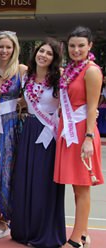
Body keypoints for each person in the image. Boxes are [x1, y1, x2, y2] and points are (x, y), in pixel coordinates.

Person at [10, 38, 66, 247]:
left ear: (55, 58)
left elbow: (68, 104)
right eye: (41, 51)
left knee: (43, 182)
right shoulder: (27, 76)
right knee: (25, 180)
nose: (43, 55)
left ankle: (44, 232)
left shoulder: (59, 78)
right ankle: (25, 230)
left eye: (49, 53)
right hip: (30, 130)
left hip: (49, 133)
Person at [54, 26, 104, 248]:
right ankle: (82, 232)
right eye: (72, 46)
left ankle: (76, 240)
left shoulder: (91, 71)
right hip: (68, 131)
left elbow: (93, 108)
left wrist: (88, 138)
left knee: (82, 186)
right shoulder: (71, 70)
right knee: (75, 186)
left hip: (82, 132)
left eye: (81, 45)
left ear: (90, 46)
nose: (76, 50)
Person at [0, 31, 27, 237]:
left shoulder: (21, 70)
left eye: (8, 47)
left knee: (9, 172)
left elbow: (38, 93)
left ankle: (10, 216)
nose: (4, 51)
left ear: (14, 49)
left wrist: (19, 103)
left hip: (12, 127)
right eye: (1, 46)